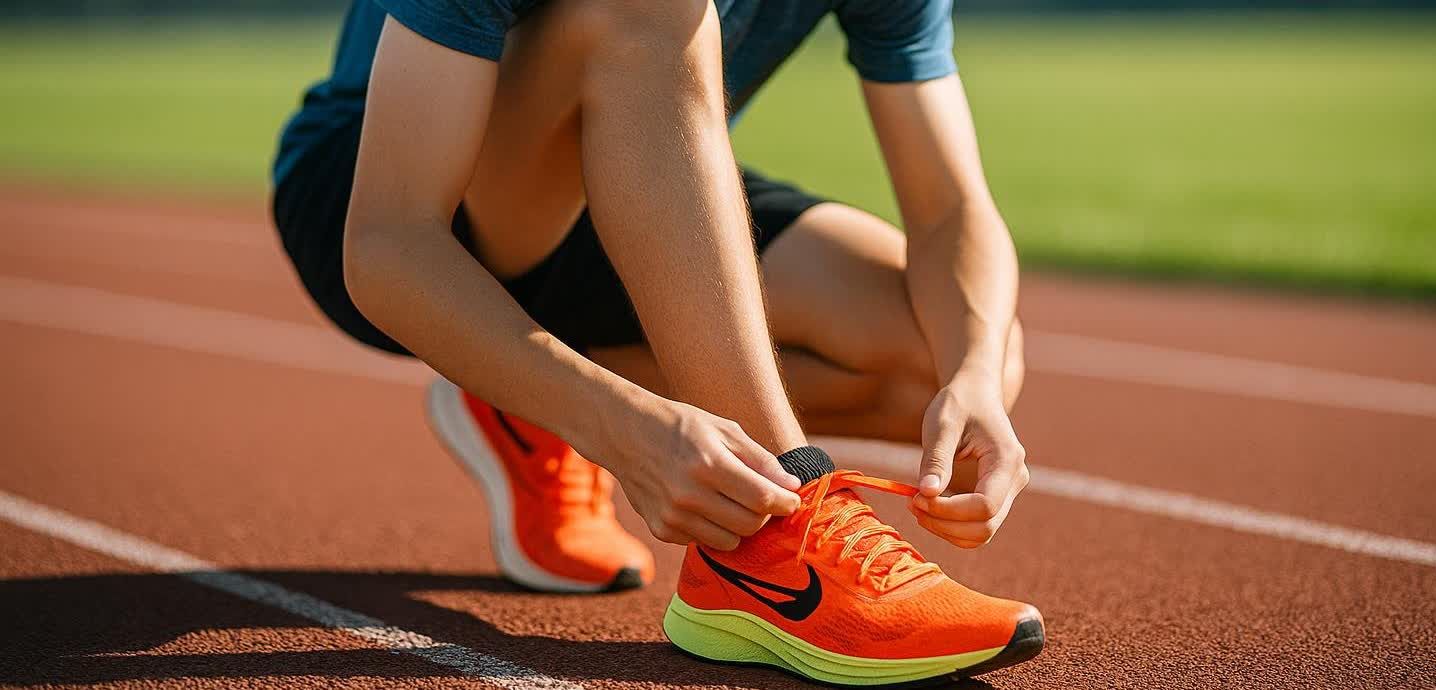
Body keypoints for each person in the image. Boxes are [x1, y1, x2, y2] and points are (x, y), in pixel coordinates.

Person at [271, 0, 1043, 683]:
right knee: (648, 4)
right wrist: (617, 426)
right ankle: (773, 530)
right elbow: (387, 242)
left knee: (943, 354)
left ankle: (517, 386)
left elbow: (950, 210)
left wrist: (973, 373)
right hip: (388, 188)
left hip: (635, 172)